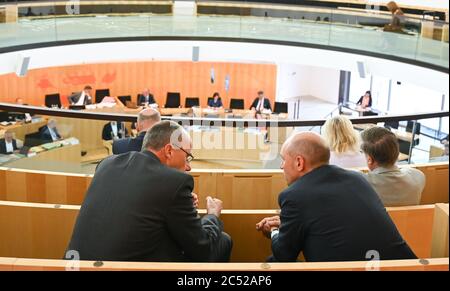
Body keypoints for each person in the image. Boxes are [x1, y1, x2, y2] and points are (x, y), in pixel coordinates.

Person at [66, 120, 232, 262]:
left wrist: (179, 202)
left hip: (76, 265)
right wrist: (212, 215)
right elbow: (201, 248)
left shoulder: (107, 164)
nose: (188, 166)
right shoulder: (176, 182)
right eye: (187, 156)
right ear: (168, 150)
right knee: (222, 240)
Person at [255, 131, 416, 262]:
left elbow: (284, 255)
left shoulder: (294, 196)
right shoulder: (357, 179)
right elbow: (334, 221)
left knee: (273, 262)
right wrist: (288, 224)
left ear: (299, 162)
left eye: (283, 159)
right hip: (406, 266)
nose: (282, 165)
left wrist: (275, 230)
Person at [360, 126, 425, 206]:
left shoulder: (361, 183)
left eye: (361, 152)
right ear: (397, 152)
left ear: (370, 160)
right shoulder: (417, 176)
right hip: (408, 218)